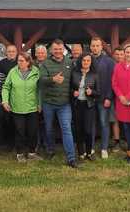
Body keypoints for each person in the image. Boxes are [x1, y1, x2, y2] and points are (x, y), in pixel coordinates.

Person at [39, 39, 78, 168]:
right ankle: (50, 150)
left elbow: (75, 79)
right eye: (55, 49)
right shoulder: (45, 63)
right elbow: (41, 81)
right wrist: (53, 79)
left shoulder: (70, 62)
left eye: (60, 49)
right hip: (48, 103)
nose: (58, 51)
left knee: (66, 129)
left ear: (64, 50)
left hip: (64, 103)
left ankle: (71, 158)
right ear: (51, 50)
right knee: (49, 129)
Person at [2, 52, 42, 162]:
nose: (19, 62)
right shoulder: (13, 72)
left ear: (28, 62)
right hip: (17, 108)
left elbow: (39, 89)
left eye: (21, 61)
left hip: (32, 107)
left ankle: (32, 153)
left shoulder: (36, 71)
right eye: (18, 60)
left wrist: (40, 103)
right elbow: (6, 87)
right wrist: (5, 101)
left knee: (32, 131)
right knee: (20, 132)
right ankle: (19, 154)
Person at [71, 53, 101, 161]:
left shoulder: (95, 74)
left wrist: (91, 92)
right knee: (78, 130)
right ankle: (80, 152)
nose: (86, 62)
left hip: (89, 105)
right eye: (84, 60)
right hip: (77, 104)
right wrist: (73, 93)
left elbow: (99, 92)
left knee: (88, 130)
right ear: (81, 61)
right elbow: (70, 88)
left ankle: (89, 152)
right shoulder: (74, 73)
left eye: (88, 61)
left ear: (91, 62)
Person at [90, 37, 115, 159]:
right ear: (90, 47)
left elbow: (113, 81)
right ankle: (91, 147)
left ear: (101, 47)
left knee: (104, 123)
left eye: (97, 45)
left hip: (103, 98)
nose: (95, 48)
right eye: (93, 45)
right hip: (90, 98)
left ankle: (104, 148)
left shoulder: (109, 61)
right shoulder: (86, 60)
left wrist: (109, 98)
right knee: (91, 124)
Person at [0, 45, 18, 150]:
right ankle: (8, 143)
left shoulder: (20, 62)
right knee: (7, 120)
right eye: (9, 51)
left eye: (13, 51)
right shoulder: (1, 64)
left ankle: (18, 142)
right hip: (5, 94)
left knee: (18, 120)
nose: (11, 53)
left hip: (18, 94)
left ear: (16, 52)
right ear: (6, 52)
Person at [110, 47, 125, 152]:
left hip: (126, 97)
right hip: (113, 96)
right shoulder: (111, 66)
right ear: (113, 55)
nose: (119, 56)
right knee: (115, 119)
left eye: (121, 54)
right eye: (117, 54)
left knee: (127, 119)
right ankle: (117, 141)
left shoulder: (128, 66)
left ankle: (127, 140)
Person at [34, 45, 48, 151]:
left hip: (48, 97)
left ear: (46, 54)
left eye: (42, 53)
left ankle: (47, 143)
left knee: (47, 122)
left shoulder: (49, 64)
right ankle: (37, 143)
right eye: (38, 52)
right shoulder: (32, 65)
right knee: (36, 123)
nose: (40, 54)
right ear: (35, 54)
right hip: (34, 97)